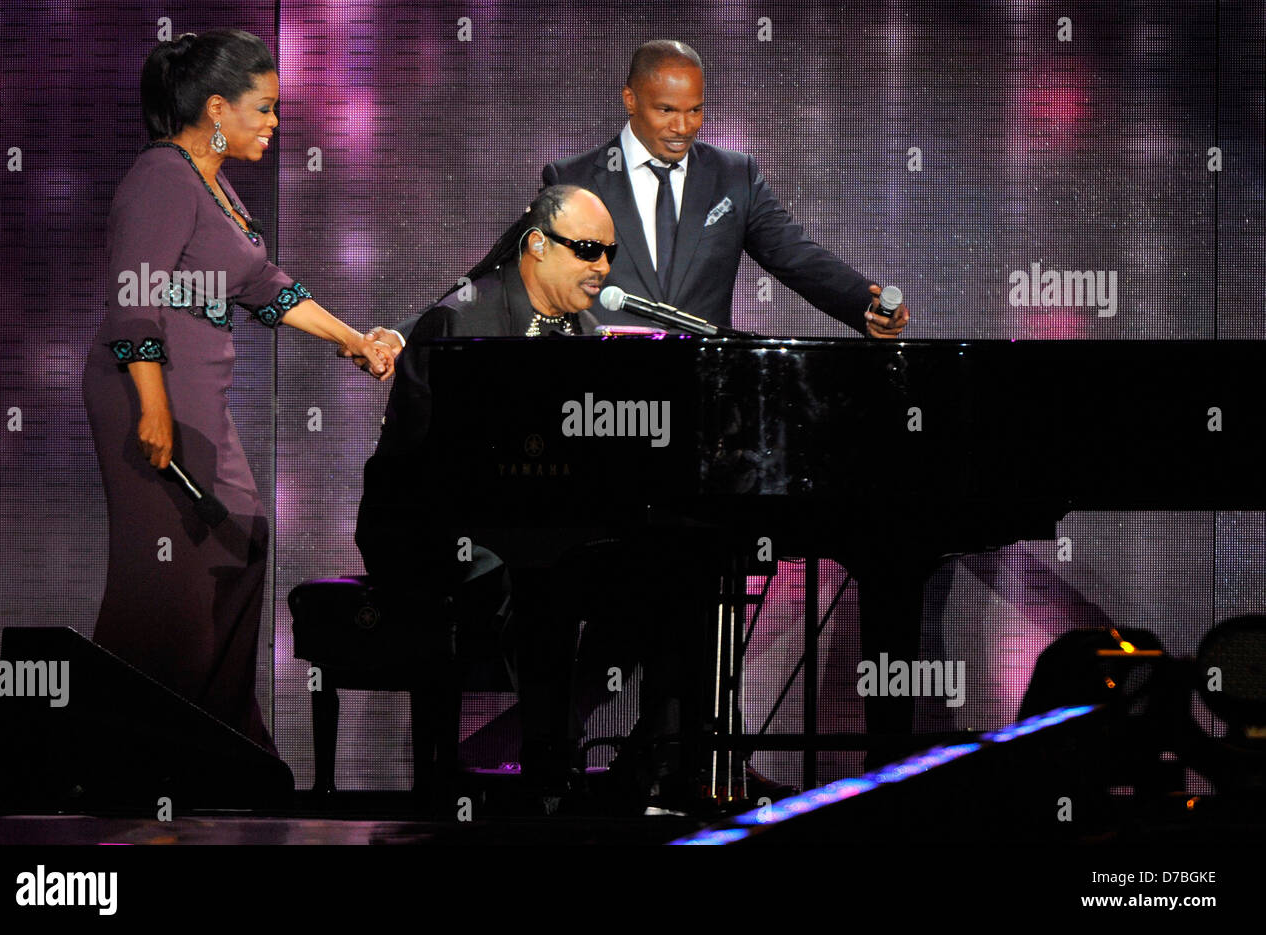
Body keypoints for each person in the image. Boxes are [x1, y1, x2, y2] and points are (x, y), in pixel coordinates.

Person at [82, 29, 393, 755]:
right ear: (217, 108)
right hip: (146, 392)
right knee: (170, 579)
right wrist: (153, 407)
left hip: (200, 397)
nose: (275, 123)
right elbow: (134, 298)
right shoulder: (161, 177)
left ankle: (216, 737)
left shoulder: (212, 185)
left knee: (240, 536)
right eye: (264, 108)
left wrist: (353, 338)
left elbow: (265, 286)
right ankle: (132, 748)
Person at [354, 185, 614, 808]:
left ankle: (631, 765)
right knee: (523, 575)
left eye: (608, 252)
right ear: (536, 246)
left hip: (531, 524)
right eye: (586, 250)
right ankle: (544, 769)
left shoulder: (588, 337)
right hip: (421, 526)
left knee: (626, 576)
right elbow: (417, 466)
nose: (602, 267)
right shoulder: (460, 320)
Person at [542, 39, 910, 338]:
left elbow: (797, 256)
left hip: (707, 387)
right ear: (631, 100)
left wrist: (865, 305)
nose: (683, 127)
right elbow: (544, 286)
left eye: (695, 110)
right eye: (667, 110)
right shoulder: (573, 180)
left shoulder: (734, 175)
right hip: (605, 392)